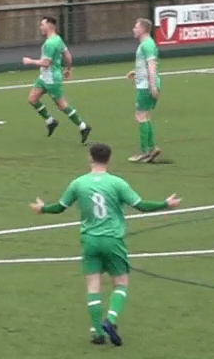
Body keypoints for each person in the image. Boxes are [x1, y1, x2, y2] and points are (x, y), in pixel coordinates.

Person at [30, 142, 180, 346]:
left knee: (93, 284)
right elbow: (141, 206)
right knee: (121, 283)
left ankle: (97, 332)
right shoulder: (117, 183)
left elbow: (60, 207)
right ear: (109, 159)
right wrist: (165, 204)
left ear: (90, 158)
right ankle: (110, 319)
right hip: (112, 240)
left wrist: (43, 209)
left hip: (90, 240)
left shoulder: (78, 183)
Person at [20, 16, 90, 142]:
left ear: (49, 26)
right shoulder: (58, 39)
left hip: (51, 78)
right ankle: (50, 121)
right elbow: (67, 55)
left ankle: (83, 127)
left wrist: (30, 61)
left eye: (42, 25)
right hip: (44, 77)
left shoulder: (50, 44)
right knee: (33, 99)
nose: (40, 27)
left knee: (62, 105)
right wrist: (68, 69)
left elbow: (46, 63)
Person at [127, 17, 162, 163]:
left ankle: (146, 151)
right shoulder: (147, 44)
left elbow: (152, 65)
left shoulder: (146, 44)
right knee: (144, 116)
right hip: (146, 83)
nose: (134, 29)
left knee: (140, 116)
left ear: (142, 29)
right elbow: (146, 65)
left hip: (145, 85)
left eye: (136, 27)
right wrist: (136, 72)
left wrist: (152, 85)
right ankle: (151, 148)